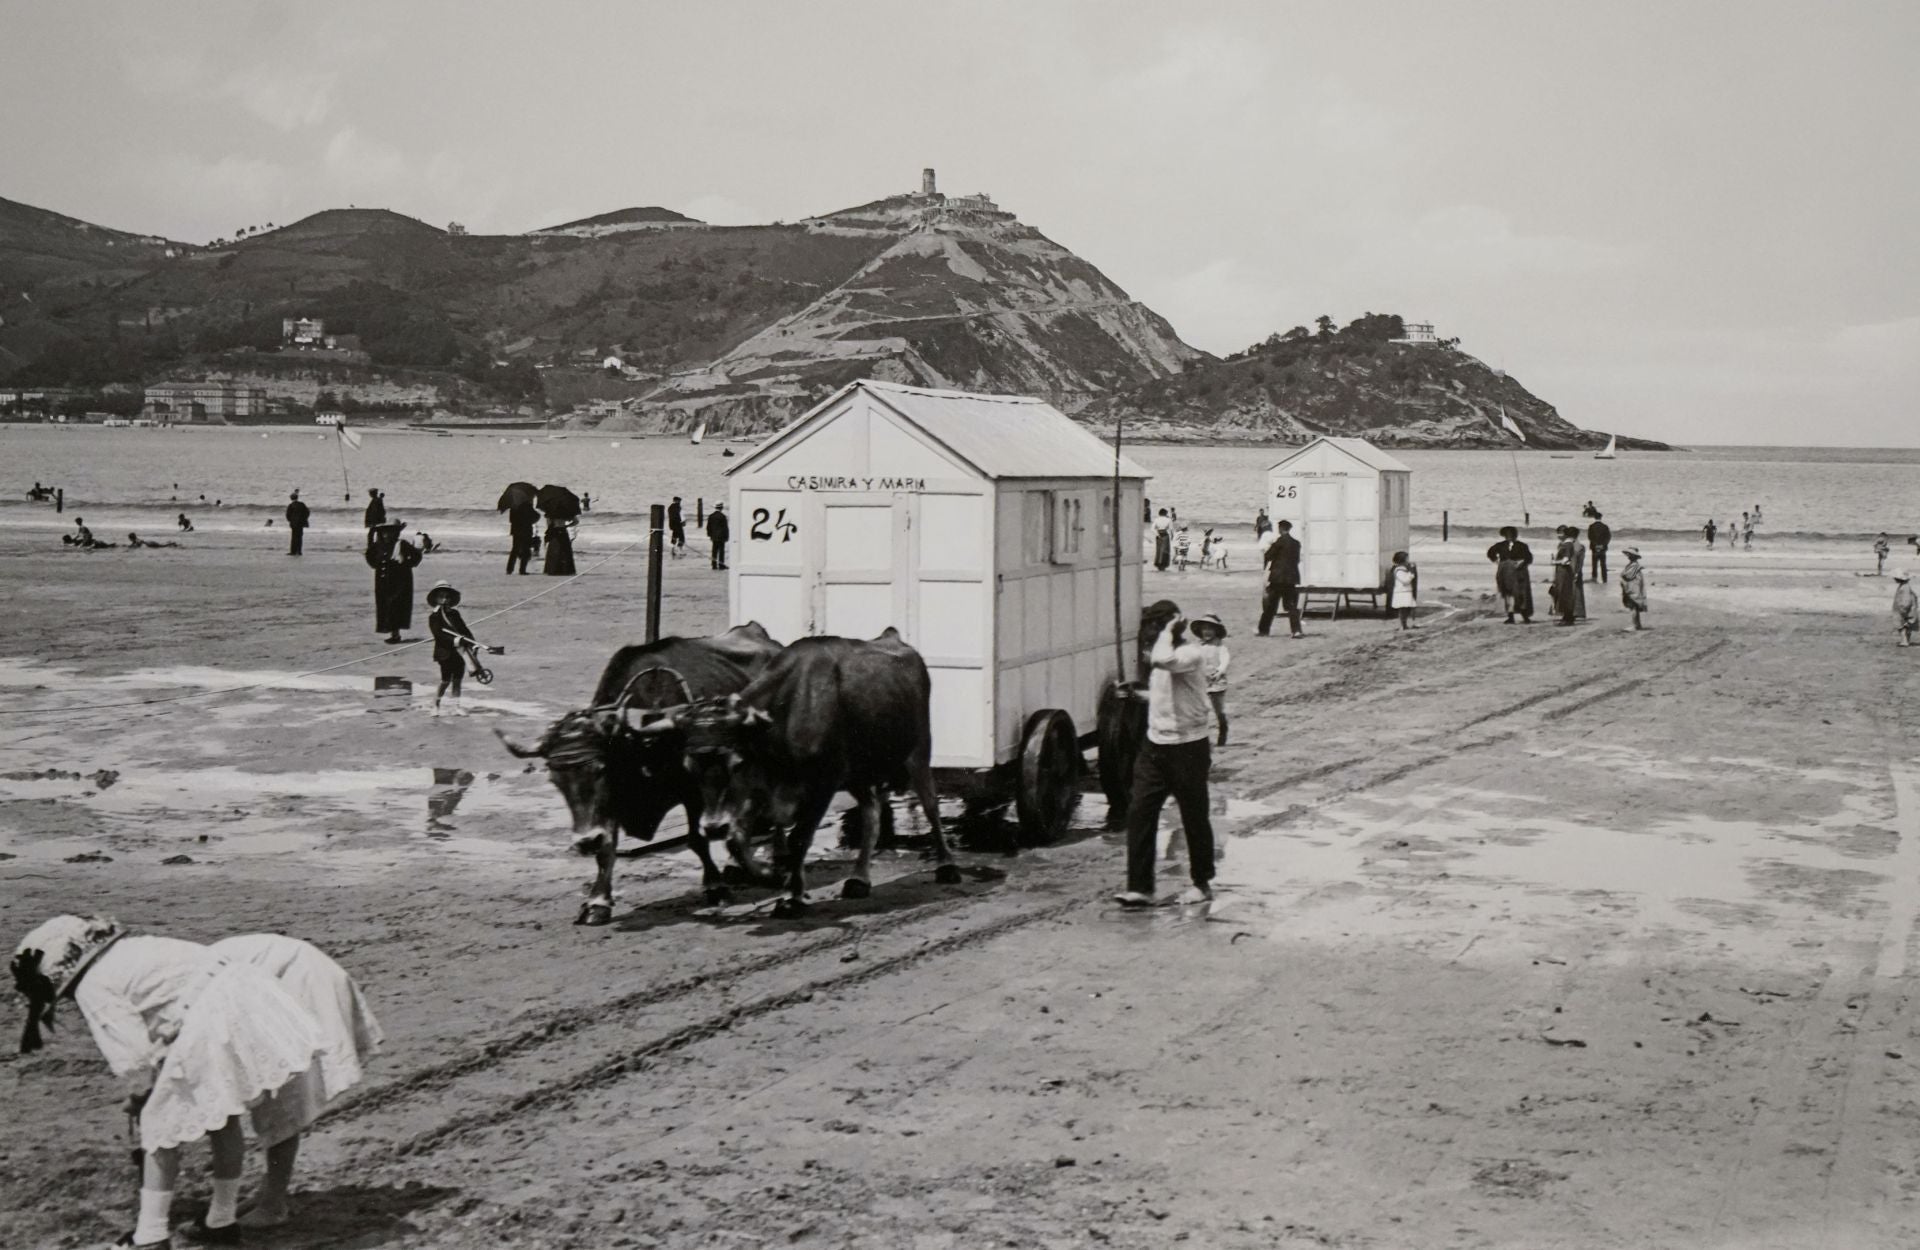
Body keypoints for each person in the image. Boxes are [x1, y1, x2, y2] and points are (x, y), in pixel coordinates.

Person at [9, 916, 327, 1249]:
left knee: (158, 1124)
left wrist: (139, 1101)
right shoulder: (135, 949)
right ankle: (221, 1221)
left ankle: (150, 1236)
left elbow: (135, 1061)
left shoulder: (93, 986)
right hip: (249, 998)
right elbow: (171, 1018)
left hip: (218, 1012)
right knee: (222, 1114)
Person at [204, 933, 382, 1229]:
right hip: (274, 981)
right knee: (260, 1087)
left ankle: (274, 1204)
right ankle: (268, 1194)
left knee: (281, 1094)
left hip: (298, 979)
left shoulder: (169, 992)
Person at [1114, 603, 1216, 908]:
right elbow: (1162, 690)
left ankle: (1202, 883)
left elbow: (1163, 660)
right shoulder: (1162, 658)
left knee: (1194, 816)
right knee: (1140, 812)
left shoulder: (1189, 653)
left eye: (1154, 628)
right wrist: (1136, 695)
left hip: (1189, 746)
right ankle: (1140, 888)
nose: (1148, 635)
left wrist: (1170, 629)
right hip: (1155, 744)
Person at [426, 580, 476, 716]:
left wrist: (472, 641)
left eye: (447, 597)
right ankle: (435, 705)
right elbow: (439, 635)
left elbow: (464, 629)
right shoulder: (434, 617)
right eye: (441, 596)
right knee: (445, 680)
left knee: (458, 680)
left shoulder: (454, 614)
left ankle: (456, 706)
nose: (444, 599)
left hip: (459, 652)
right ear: (436, 598)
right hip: (444, 652)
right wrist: (455, 640)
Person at [365, 522, 420, 644]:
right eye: (384, 532)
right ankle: (391, 632)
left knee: (396, 605)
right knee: (385, 605)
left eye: (390, 532)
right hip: (382, 580)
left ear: (396, 533)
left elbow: (417, 556)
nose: (387, 534)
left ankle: (395, 634)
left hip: (400, 581)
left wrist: (407, 564)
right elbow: (369, 555)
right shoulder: (378, 545)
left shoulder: (402, 544)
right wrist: (375, 564)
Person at [1259, 519, 1303, 638]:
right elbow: (1297, 560)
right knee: (1291, 606)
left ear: (1280, 529)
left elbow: (1268, 556)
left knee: (1271, 606)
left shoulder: (1279, 542)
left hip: (1277, 578)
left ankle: (1263, 630)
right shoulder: (1296, 543)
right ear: (1289, 529)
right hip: (1291, 578)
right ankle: (1296, 631)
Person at [1192, 613, 1230, 747]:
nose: (1207, 632)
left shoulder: (1219, 646)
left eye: (1210, 629)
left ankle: (1223, 729)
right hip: (1201, 682)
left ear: (1216, 631)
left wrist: (1220, 671)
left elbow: (1225, 660)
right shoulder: (1197, 646)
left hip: (1216, 682)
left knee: (1219, 709)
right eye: (1204, 629)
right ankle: (1202, 737)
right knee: (1201, 710)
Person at [1487, 526, 1534, 624]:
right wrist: (1496, 561)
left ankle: (1525, 616)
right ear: (1504, 536)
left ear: (1515, 535)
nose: (1510, 537)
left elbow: (1529, 558)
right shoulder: (1500, 545)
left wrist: (1522, 562)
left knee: (1521, 594)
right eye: (1507, 535)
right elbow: (1490, 553)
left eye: (1512, 535)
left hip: (1519, 572)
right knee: (1507, 593)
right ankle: (1510, 616)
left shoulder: (1522, 545)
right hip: (1504, 572)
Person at [1550, 526, 1578, 625]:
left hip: (1564, 571)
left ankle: (1567, 617)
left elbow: (1566, 560)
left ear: (1565, 534)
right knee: (1564, 592)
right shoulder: (1567, 544)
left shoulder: (1567, 544)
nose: (1558, 535)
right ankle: (1568, 616)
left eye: (1560, 533)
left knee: (1563, 592)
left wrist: (1555, 561)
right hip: (1563, 571)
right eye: (1558, 533)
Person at [1387, 550, 1419, 630]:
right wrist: (1411, 574)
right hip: (1401, 592)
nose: (1408, 560)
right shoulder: (1399, 570)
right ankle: (1402, 625)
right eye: (1406, 558)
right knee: (1402, 609)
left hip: (1406, 591)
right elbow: (1405, 581)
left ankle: (1405, 624)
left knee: (1408, 608)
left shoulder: (1404, 568)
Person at [1620, 547, 1649, 631]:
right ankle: (1637, 624)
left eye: (1629, 554)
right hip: (1633, 587)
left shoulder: (1634, 565)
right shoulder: (1634, 565)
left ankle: (1634, 625)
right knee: (1634, 607)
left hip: (1633, 588)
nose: (1627, 556)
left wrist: (1623, 576)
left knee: (1633, 607)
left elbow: (1628, 575)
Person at [506, 500, 538, 575]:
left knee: (515, 549)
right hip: (526, 530)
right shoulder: (527, 505)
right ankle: (522, 569)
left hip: (516, 530)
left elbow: (511, 520)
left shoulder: (513, 506)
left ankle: (509, 569)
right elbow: (536, 516)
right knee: (526, 550)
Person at [1587, 512, 1612, 583]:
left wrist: (1596, 545)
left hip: (1594, 548)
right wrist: (1602, 545)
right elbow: (1608, 537)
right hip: (1603, 548)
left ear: (1594, 518)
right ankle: (1604, 579)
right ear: (1601, 518)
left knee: (1594, 564)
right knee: (1603, 564)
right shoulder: (1605, 526)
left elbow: (1590, 537)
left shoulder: (1591, 526)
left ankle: (1594, 578)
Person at [284, 490, 309, 556]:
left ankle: (293, 551)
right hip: (301, 523)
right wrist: (304, 519)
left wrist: (290, 520)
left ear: (291, 498)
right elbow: (307, 512)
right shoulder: (302, 504)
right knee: (300, 537)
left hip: (294, 523)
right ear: (297, 498)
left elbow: (288, 515)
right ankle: (299, 551)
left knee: (294, 537)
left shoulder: (291, 505)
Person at [706, 502, 730, 570]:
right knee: (721, 551)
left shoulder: (711, 516)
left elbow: (708, 527)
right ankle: (721, 565)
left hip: (714, 536)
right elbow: (725, 528)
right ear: (721, 508)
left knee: (714, 551)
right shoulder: (723, 516)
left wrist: (709, 534)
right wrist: (727, 536)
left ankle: (713, 565)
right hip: (721, 536)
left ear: (715, 507)